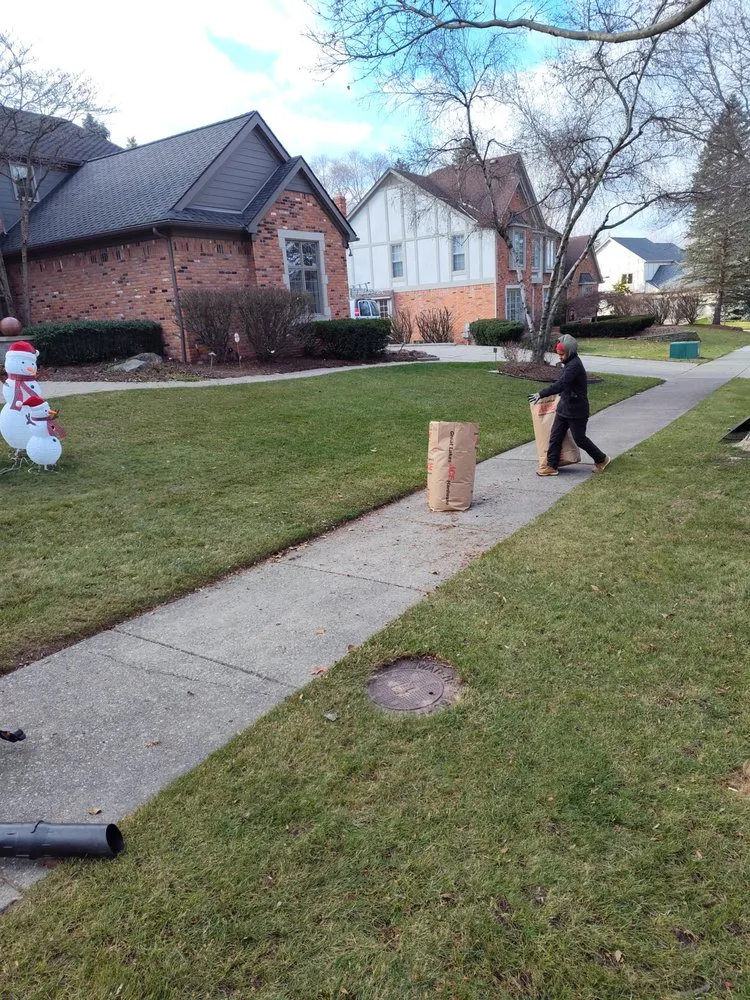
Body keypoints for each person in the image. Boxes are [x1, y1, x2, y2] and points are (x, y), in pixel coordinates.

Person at [528, 334, 610, 477]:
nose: (560, 357)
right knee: (555, 436)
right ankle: (551, 466)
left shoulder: (575, 365)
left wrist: (541, 394)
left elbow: (561, 384)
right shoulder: (568, 363)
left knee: (580, 439)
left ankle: (602, 459)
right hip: (564, 408)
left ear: (570, 351)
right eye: (558, 354)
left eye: (562, 354)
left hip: (577, 410)